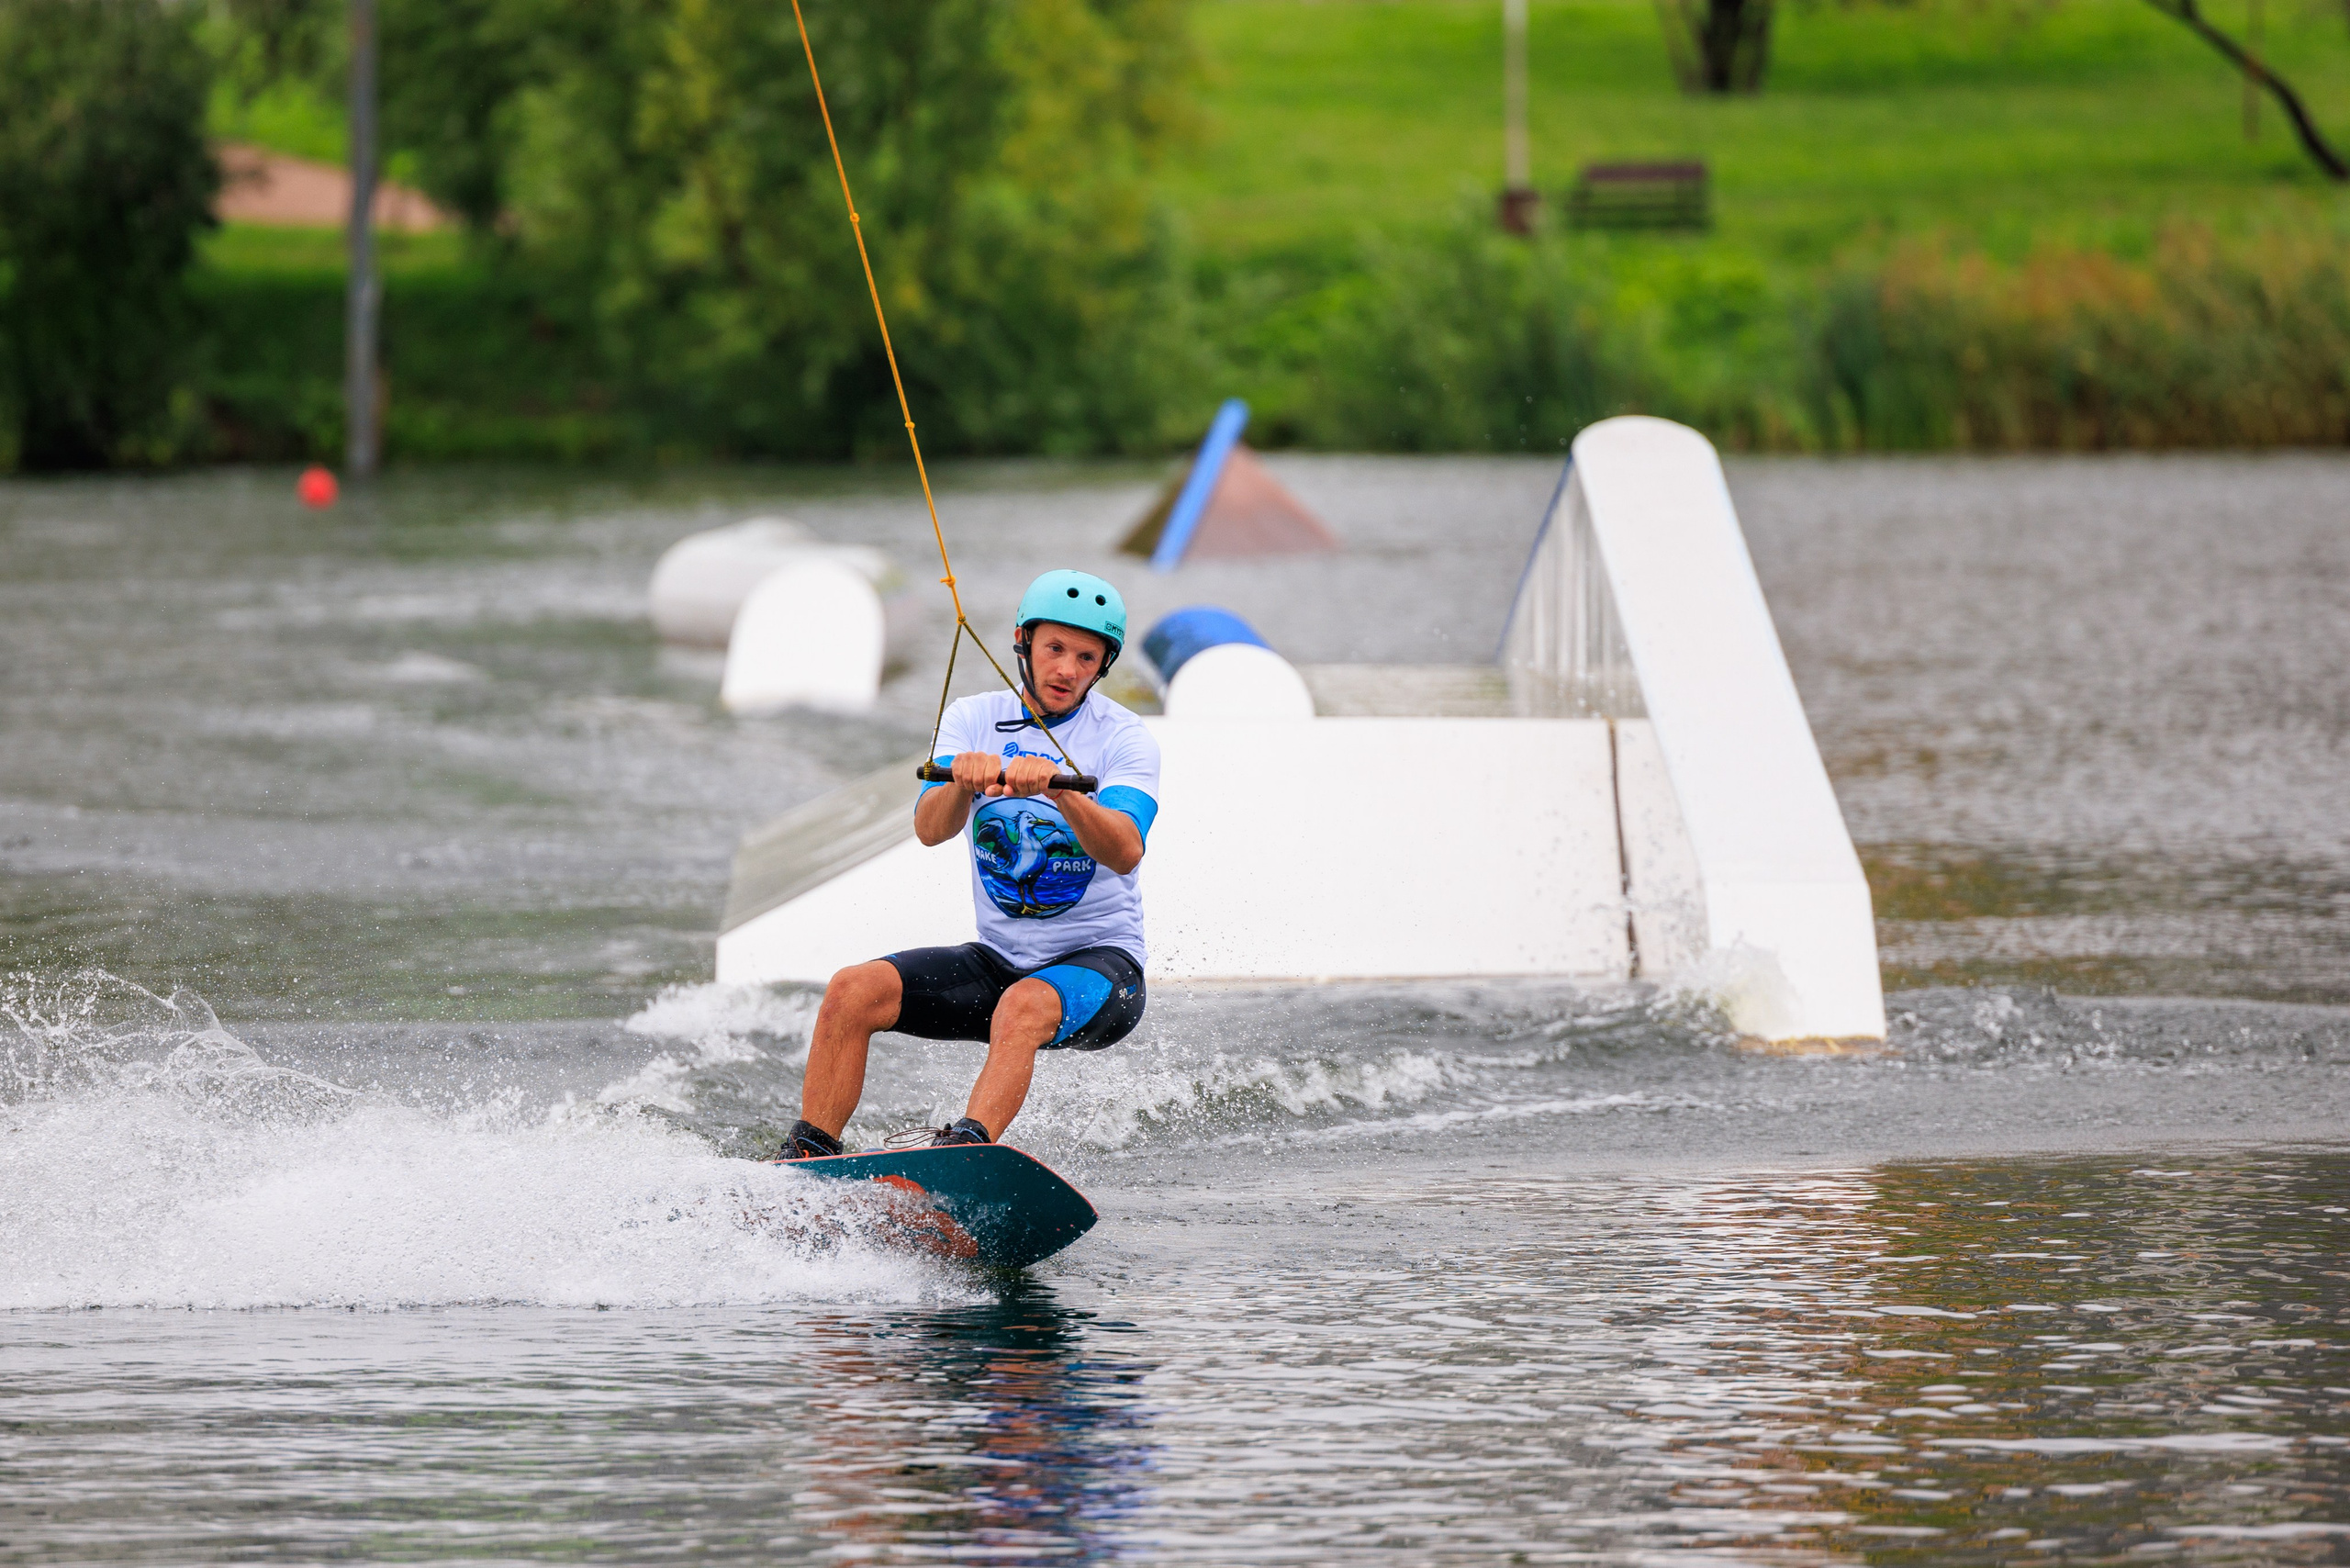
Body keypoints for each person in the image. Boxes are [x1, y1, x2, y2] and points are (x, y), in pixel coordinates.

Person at [780, 570, 1160, 1158]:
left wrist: (1064, 793)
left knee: (1024, 1003)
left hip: (1103, 973)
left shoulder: (1124, 739)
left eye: (1086, 657)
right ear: (1023, 642)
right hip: (1000, 962)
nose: (1067, 670)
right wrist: (961, 783)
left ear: (1102, 666)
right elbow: (930, 830)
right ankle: (808, 1155)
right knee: (852, 990)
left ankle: (966, 1151)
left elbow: (1125, 848)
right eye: (1055, 649)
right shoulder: (972, 717)